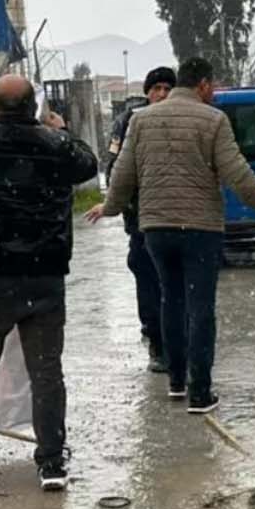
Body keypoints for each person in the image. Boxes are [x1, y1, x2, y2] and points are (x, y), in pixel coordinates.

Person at [90, 56, 255, 414]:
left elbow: (122, 174)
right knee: (200, 307)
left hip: (156, 230)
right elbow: (239, 178)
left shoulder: (141, 120)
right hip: (200, 230)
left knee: (170, 302)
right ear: (204, 85)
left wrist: (110, 207)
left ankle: (176, 381)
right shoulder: (213, 120)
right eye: (213, 87)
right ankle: (200, 393)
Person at [0, 74, 99, 492]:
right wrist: (59, 128)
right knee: (46, 371)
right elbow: (89, 163)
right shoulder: (56, 145)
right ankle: (51, 463)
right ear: (36, 108)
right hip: (44, 276)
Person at [103, 66, 175, 372]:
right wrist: (119, 203)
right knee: (149, 283)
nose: (161, 94)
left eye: (167, 88)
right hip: (143, 222)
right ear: (147, 92)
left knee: (179, 284)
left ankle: (180, 342)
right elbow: (114, 169)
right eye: (156, 88)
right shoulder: (129, 122)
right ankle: (157, 342)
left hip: (178, 219)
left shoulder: (183, 119)